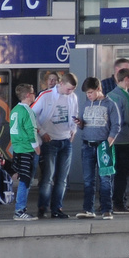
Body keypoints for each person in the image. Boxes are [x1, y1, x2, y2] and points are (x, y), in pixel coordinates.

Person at [33, 70, 79, 219]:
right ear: (61, 84)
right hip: (50, 140)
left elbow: (75, 115)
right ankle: (42, 207)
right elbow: (32, 114)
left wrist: (74, 129)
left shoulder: (72, 97)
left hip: (65, 139)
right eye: (68, 89)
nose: (70, 92)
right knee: (48, 177)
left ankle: (56, 208)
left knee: (62, 178)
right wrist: (41, 132)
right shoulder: (46, 96)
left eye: (72, 89)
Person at [76, 76, 122, 219]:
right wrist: (80, 123)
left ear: (98, 89)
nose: (88, 96)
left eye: (90, 92)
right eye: (87, 94)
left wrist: (109, 142)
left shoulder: (110, 104)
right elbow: (83, 123)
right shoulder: (85, 105)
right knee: (88, 179)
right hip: (87, 144)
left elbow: (116, 125)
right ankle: (88, 209)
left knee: (105, 179)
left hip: (103, 145)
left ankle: (107, 209)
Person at [107, 64, 129, 214]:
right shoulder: (127, 97)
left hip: (110, 140)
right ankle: (119, 204)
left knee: (111, 172)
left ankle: (109, 202)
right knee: (123, 173)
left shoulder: (108, 95)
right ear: (126, 79)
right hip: (125, 139)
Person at [9, 83, 38, 221]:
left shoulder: (14, 110)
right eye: (32, 92)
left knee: (22, 178)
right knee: (26, 180)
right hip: (27, 149)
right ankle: (20, 210)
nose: (34, 94)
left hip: (17, 149)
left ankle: (20, 209)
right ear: (28, 95)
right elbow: (31, 130)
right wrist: (36, 147)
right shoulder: (28, 111)